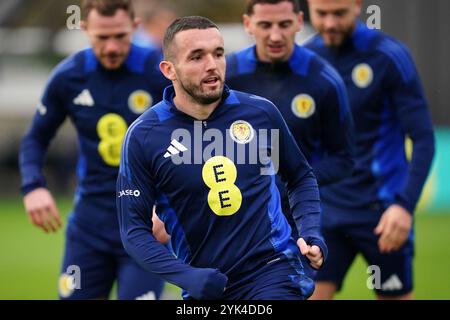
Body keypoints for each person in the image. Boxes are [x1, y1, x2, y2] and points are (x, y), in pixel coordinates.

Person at [117, 15, 327, 300]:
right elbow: (134, 232)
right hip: (206, 287)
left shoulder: (261, 114)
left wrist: (310, 232)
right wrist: (187, 276)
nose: (212, 65)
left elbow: (300, 176)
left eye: (218, 53)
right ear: (169, 69)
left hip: (273, 271)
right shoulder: (143, 136)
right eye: (196, 57)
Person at [19, 0, 169, 300]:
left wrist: (171, 208)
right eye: (102, 37)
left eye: (120, 36)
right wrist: (33, 185)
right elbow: (36, 138)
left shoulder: (160, 72)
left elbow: (192, 139)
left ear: (135, 27)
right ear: (85, 29)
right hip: (89, 227)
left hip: (145, 227)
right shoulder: (69, 76)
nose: (112, 47)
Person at [305, 0, 435, 300]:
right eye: (321, 14)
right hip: (325, 215)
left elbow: (423, 138)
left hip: (381, 214)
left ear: (357, 6)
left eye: (339, 13)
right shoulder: (307, 60)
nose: (329, 24)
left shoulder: (388, 56)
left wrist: (404, 206)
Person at [226, 0, 354, 278]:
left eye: (284, 25)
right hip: (233, 222)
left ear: (298, 22)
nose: (275, 35)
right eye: (265, 25)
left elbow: (343, 159)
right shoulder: (227, 75)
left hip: (295, 225)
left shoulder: (323, 80)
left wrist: (289, 181)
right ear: (248, 24)